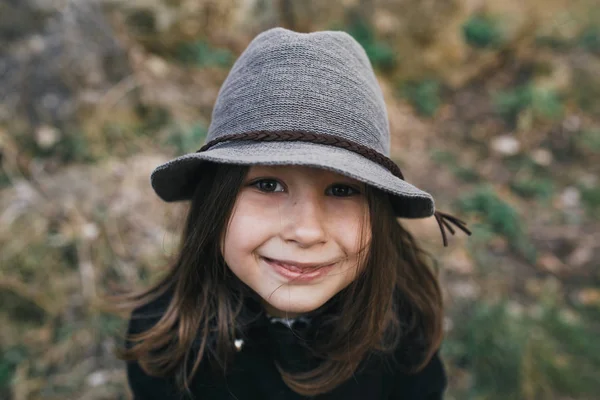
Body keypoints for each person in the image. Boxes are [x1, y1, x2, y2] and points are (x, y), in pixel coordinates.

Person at [114, 27, 471, 399]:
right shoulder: (163, 338)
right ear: (214, 202)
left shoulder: (402, 321)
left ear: (379, 212)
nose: (305, 232)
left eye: (342, 189)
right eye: (268, 185)